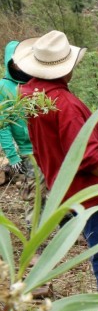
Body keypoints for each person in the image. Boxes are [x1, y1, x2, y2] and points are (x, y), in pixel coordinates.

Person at [14, 30, 98, 301]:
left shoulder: (30, 93)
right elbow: (86, 158)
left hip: (57, 181)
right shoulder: (65, 104)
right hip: (83, 187)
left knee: (91, 234)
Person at [0, 40, 38, 200]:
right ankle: (34, 224)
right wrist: (12, 156)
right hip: (27, 152)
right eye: (16, 61)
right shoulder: (3, 87)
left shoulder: (35, 82)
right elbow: (3, 125)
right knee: (34, 194)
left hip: (45, 149)